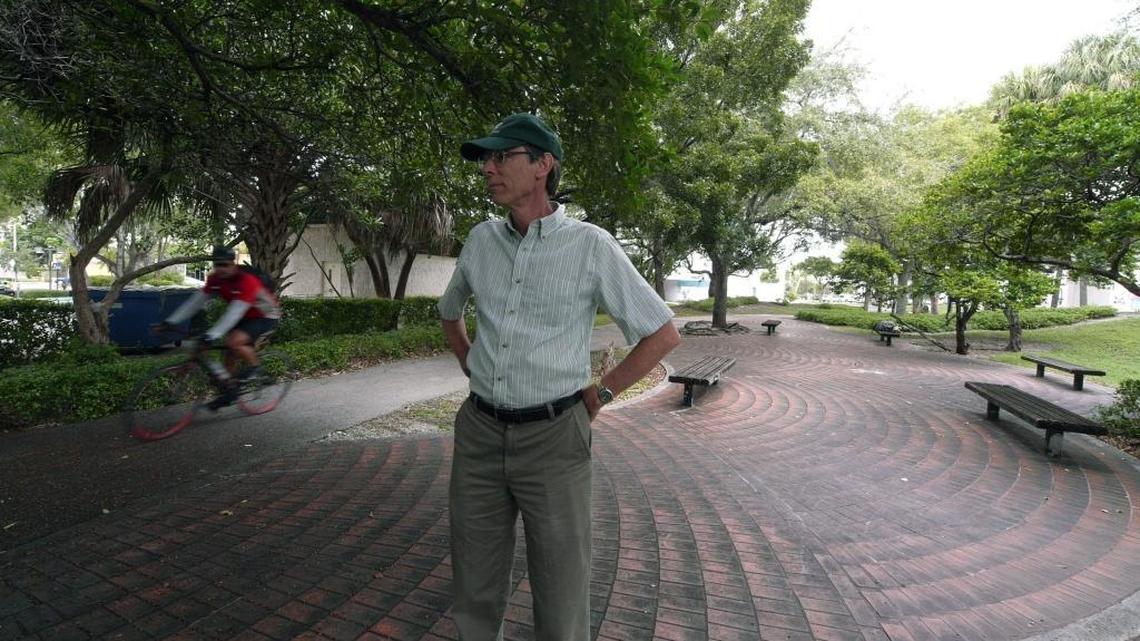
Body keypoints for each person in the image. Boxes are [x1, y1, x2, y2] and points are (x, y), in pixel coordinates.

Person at [438, 113, 681, 640]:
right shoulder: (481, 240)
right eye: (485, 159)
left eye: (501, 156)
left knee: (561, 586)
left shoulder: (591, 245)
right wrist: (469, 362)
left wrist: (603, 392)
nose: (488, 168)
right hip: (479, 435)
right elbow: (449, 310)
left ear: (543, 165)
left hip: (555, 437)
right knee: (474, 581)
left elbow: (662, 333)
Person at [158, 246, 282, 409]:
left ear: (233, 264)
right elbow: (196, 302)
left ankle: (256, 367)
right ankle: (229, 391)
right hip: (244, 315)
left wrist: (212, 335)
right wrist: (171, 322)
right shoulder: (215, 279)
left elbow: (235, 311)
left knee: (234, 342)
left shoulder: (247, 280)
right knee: (228, 354)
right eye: (217, 265)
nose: (221, 269)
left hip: (265, 315)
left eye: (225, 264)